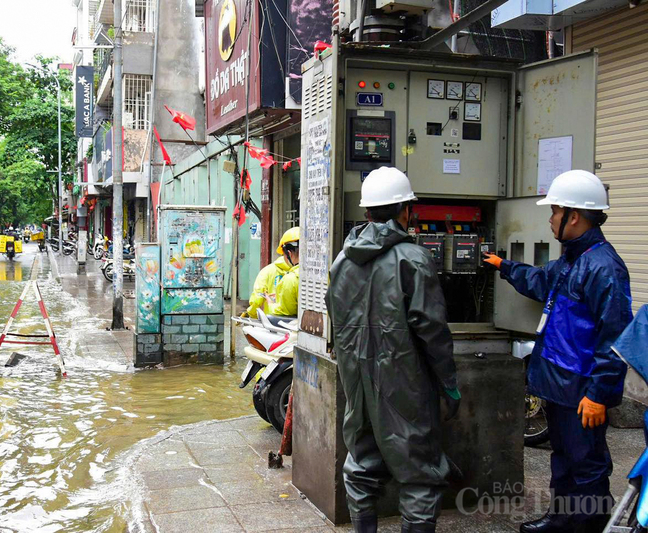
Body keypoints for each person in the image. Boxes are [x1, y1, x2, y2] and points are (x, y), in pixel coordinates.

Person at [483, 170, 632, 533]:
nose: (549, 219)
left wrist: (598, 394)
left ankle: (589, 523)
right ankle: (563, 519)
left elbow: (615, 338)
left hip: (582, 390)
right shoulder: (572, 261)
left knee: (586, 464)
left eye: (554, 212)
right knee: (564, 459)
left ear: (574, 216)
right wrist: (505, 266)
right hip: (560, 384)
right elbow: (540, 280)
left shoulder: (603, 268)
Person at [326, 167, 460, 533]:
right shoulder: (413, 259)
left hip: (357, 380)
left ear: (367, 212)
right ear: (405, 210)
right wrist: (448, 383)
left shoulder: (342, 261)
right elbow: (432, 330)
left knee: (362, 462)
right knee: (418, 470)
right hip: (406, 383)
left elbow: (336, 324)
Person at [243, 227, 299, 319]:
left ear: (289, 254)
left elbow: (257, 300)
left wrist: (251, 315)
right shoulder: (312, 277)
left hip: (276, 324)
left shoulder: (286, 277)